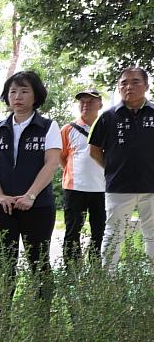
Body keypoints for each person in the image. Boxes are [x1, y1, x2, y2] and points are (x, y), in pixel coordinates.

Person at [0, 71, 61, 307]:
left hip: (37, 207)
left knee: (39, 263)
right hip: (3, 207)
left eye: (24, 91)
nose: (17, 96)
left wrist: (30, 196)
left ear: (35, 95)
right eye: (13, 92)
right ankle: (1, 320)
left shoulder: (48, 126)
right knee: (4, 264)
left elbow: (52, 163)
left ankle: (42, 317)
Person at [88, 66, 154, 267]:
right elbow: (94, 149)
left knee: (152, 234)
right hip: (118, 187)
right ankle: (109, 283)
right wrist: (112, 168)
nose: (129, 87)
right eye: (123, 83)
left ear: (146, 86)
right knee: (113, 235)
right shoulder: (107, 117)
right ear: (118, 88)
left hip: (151, 186)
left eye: (135, 81)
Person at [60, 88, 105, 262]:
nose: (86, 104)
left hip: (101, 188)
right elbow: (61, 157)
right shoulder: (68, 129)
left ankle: (96, 269)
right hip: (74, 188)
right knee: (72, 231)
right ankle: (72, 270)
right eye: (82, 101)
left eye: (91, 101)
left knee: (99, 231)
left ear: (100, 104)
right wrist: (72, 173)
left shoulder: (107, 127)